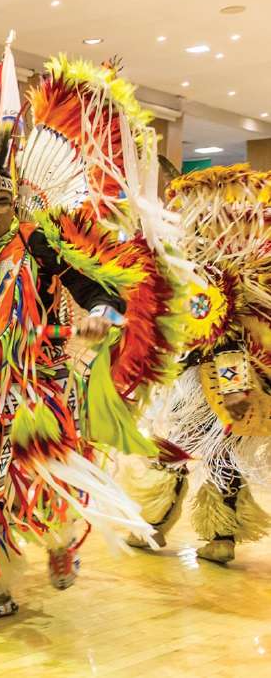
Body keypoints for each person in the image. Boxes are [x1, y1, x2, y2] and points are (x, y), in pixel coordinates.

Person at [0, 56, 186, 621]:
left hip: (32, 392)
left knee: (42, 481)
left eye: (1, 202)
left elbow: (102, 289)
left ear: (16, 201)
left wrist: (100, 314)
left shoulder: (40, 248)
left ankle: (61, 540)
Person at [127, 165, 271, 563]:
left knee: (172, 452)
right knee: (218, 456)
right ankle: (220, 537)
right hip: (205, 379)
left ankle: (154, 527)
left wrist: (234, 388)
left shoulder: (210, 276)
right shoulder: (205, 267)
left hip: (204, 383)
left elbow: (222, 335)